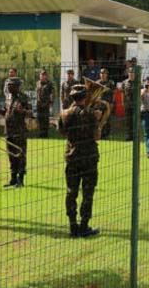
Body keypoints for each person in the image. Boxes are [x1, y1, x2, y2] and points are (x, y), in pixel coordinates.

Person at [61, 84, 101, 238]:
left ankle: (72, 225)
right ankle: (84, 225)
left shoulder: (65, 114)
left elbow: (62, 132)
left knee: (71, 191)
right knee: (88, 192)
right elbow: (97, 136)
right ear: (85, 97)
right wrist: (98, 120)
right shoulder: (91, 114)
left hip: (72, 155)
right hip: (89, 156)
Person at [4, 78, 30, 188]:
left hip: (19, 131)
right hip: (8, 131)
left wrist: (22, 111)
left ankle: (20, 179)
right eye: (8, 85)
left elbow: (30, 112)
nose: (9, 88)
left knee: (20, 155)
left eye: (11, 86)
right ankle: (13, 178)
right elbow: (7, 112)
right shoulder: (9, 97)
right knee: (11, 155)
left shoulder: (23, 98)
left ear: (17, 87)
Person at [35, 70, 55, 138]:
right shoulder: (38, 83)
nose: (42, 76)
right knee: (39, 119)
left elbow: (52, 93)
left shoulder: (49, 84)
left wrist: (51, 102)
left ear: (46, 76)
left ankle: (45, 134)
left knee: (45, 119)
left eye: (43, 75)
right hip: (39, 104)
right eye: (41, 75)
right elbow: (37, 93)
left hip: (46, 104)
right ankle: (40, 133)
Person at [121, 69, 138, 141]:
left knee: (135, 120)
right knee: (128, 121)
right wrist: (122, 102)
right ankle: (129, 135)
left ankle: (135, 135)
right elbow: (122, 93)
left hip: (136, 104)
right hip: (128, 103)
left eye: (132, 72)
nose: (131, 74)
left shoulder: (138, 82)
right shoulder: (124, 82)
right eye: (130, 73)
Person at [98, 68, 115, 139]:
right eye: (101, 73)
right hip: (99, 104)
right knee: (99, 119)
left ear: (107, 75)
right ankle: (100, 134)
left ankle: (107, 134)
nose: (103, 75)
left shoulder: (110, 83)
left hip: (108, 103)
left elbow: (113, 93)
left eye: (104, 73)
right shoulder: (97, 83)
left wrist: (112, 102)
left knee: (107, 120)